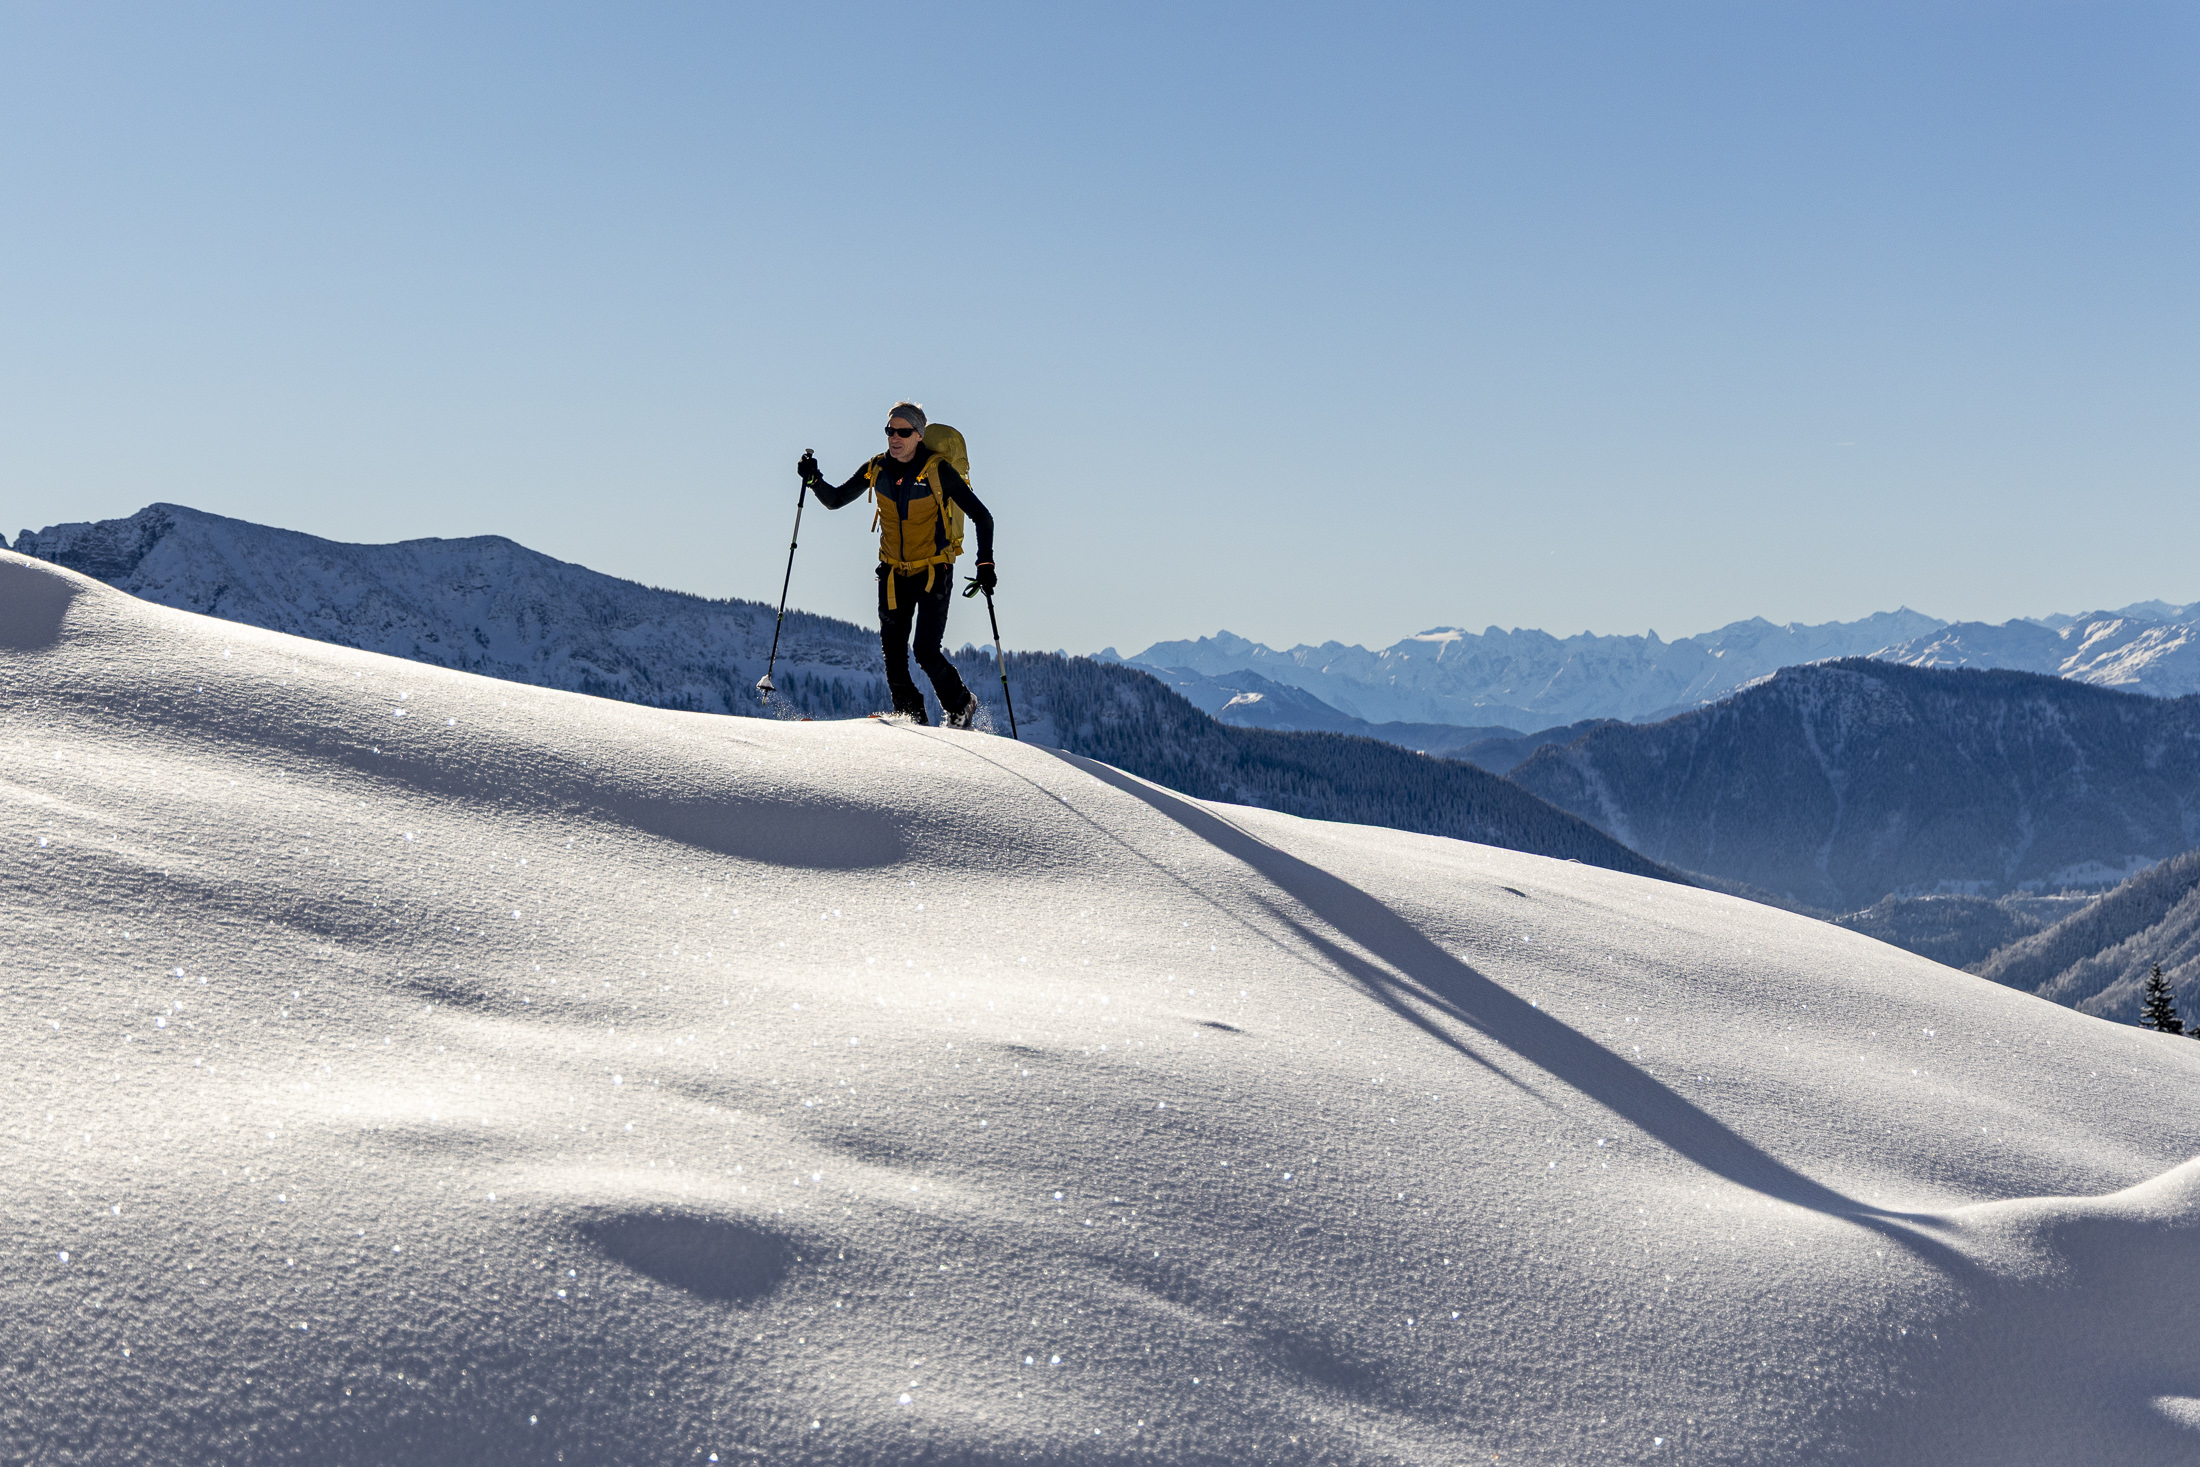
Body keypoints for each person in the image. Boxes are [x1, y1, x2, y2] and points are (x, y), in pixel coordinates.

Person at [797, 402, 996, 727]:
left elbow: (982, 516)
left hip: (934, 569)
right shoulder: (876, 469)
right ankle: (911, 718)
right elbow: (835, 500)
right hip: (892, 572)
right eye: (890, 430)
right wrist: (814, 479)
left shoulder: (937, 470)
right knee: (893, 653)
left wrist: (985, 563)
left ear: (919, 435)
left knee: (925, 651)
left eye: (903, 432)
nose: (895, 437)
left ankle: (961, 705)